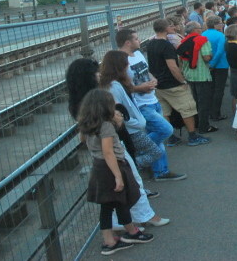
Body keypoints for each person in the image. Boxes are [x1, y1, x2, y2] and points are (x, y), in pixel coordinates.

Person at [65, 59, 169, 231]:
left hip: (100, 152)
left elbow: (85, 133)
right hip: (112, 148)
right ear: (87, 76)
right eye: (95, 72)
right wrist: (116, 119)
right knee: (132, 181)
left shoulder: (78, 101)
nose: (99, 75)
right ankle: (144, 217)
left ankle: (125, 223)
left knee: (117, 190)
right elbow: (107, 126)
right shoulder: (97, 99)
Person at [79, 89, 154, 255]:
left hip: (99, 167)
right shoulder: (105, 126)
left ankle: (112, 238)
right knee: (121, 200)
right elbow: (108, 152)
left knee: (109, 205)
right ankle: (129, 233)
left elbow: (85, 141)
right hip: (111, 167)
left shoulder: (88, 125)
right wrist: (118, 176)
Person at [116, 29, 185, 182]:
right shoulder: (120, 60)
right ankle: (138, 153)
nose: (139, 40)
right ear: (128, 42)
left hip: (152, 100)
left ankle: (160, 171)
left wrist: (153, 80)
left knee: (159, 137)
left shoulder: (139, 54)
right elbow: (120, 86)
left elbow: (147, 72)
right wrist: (140, 88)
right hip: (141, 104)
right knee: (165, 129)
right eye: (135, 38)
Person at [147, 18, 210, 147]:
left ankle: (171, 137)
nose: (174, 28)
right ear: (165, 29)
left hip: (158, 84)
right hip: (172, 83)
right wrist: (182, 80)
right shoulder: (167, 45)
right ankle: (192, 136)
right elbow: (172, 66)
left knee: (165, 111)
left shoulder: (151, 44)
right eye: (171, 26)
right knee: (187, 108)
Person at [98, 50, 163, 173]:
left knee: (138, 152)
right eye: (127, 64)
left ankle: (130, 167)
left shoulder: (117, 84)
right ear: (120, 67)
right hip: (131, 129)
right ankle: (128, 166)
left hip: (132, 128)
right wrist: (137, 122)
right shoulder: (114, 87)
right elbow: (118, 110)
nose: (129, 67)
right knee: (154, 152)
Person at [178, 21, 216, 134]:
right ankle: (204, 127)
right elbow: (206, 58)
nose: (202, 29)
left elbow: (180, 58)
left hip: (189, 76)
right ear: (195, 30)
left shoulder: (183, 41)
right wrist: (211, 55)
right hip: (202, 76)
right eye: (200, 27)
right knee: (204, 103)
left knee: (195, 102)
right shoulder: (202, 40)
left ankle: (196, 124)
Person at [202, 15, 230, 122]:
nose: (222, 24)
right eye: (220, 23)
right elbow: (219, 52)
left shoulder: (203, 34)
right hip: (221, 65)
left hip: (207, 65)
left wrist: (209, 64)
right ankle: (216, 114)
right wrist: (213, 64)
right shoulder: (220, 35)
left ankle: (209, 112)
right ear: (216, 24)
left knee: (210, 89)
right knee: (219, 90)